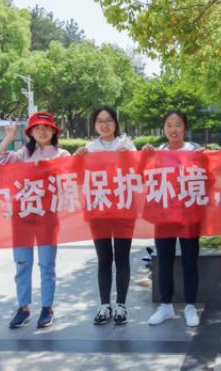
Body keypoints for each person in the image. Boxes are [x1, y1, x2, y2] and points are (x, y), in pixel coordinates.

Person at [0, 112, 70, 329]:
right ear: (31, 132)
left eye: (46, 127)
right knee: (22, 264)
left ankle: (47, 308)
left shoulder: (62, 154)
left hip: (47, 216)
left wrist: (49, 167)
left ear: (54, 131)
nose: (42, 131)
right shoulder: (22, 154)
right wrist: (8, 137)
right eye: (37, 128)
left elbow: (70, 176)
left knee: (47, 264)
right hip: (22, 216)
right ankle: (23, 307)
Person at [74, 105, 136, 326]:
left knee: (122, 256)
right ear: (94, 125)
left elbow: (137, 172)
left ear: (115, 123)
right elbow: (78, 177)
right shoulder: (89, 149)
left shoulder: (126, 145)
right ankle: (104, 305)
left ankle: (121, 305)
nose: (105, 125)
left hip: (123, 208)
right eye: (100, 121)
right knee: (103, 258)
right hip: (98, 208)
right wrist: (78, 159)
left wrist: (130, 158)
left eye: (108, 120)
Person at [144, 111, 202, 327]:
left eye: (178, 125)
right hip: (164, 215)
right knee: (164, 261)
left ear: (185, 127)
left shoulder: (194, 150)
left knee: (190, 262)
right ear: (164, 128)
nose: (173, 129)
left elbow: (209, 178)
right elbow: (143, 177)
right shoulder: (157, 152)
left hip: (188, 214)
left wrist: (204, 160)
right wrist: (145, 158)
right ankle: (165, 306)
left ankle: (190, 306)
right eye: (168, 125)